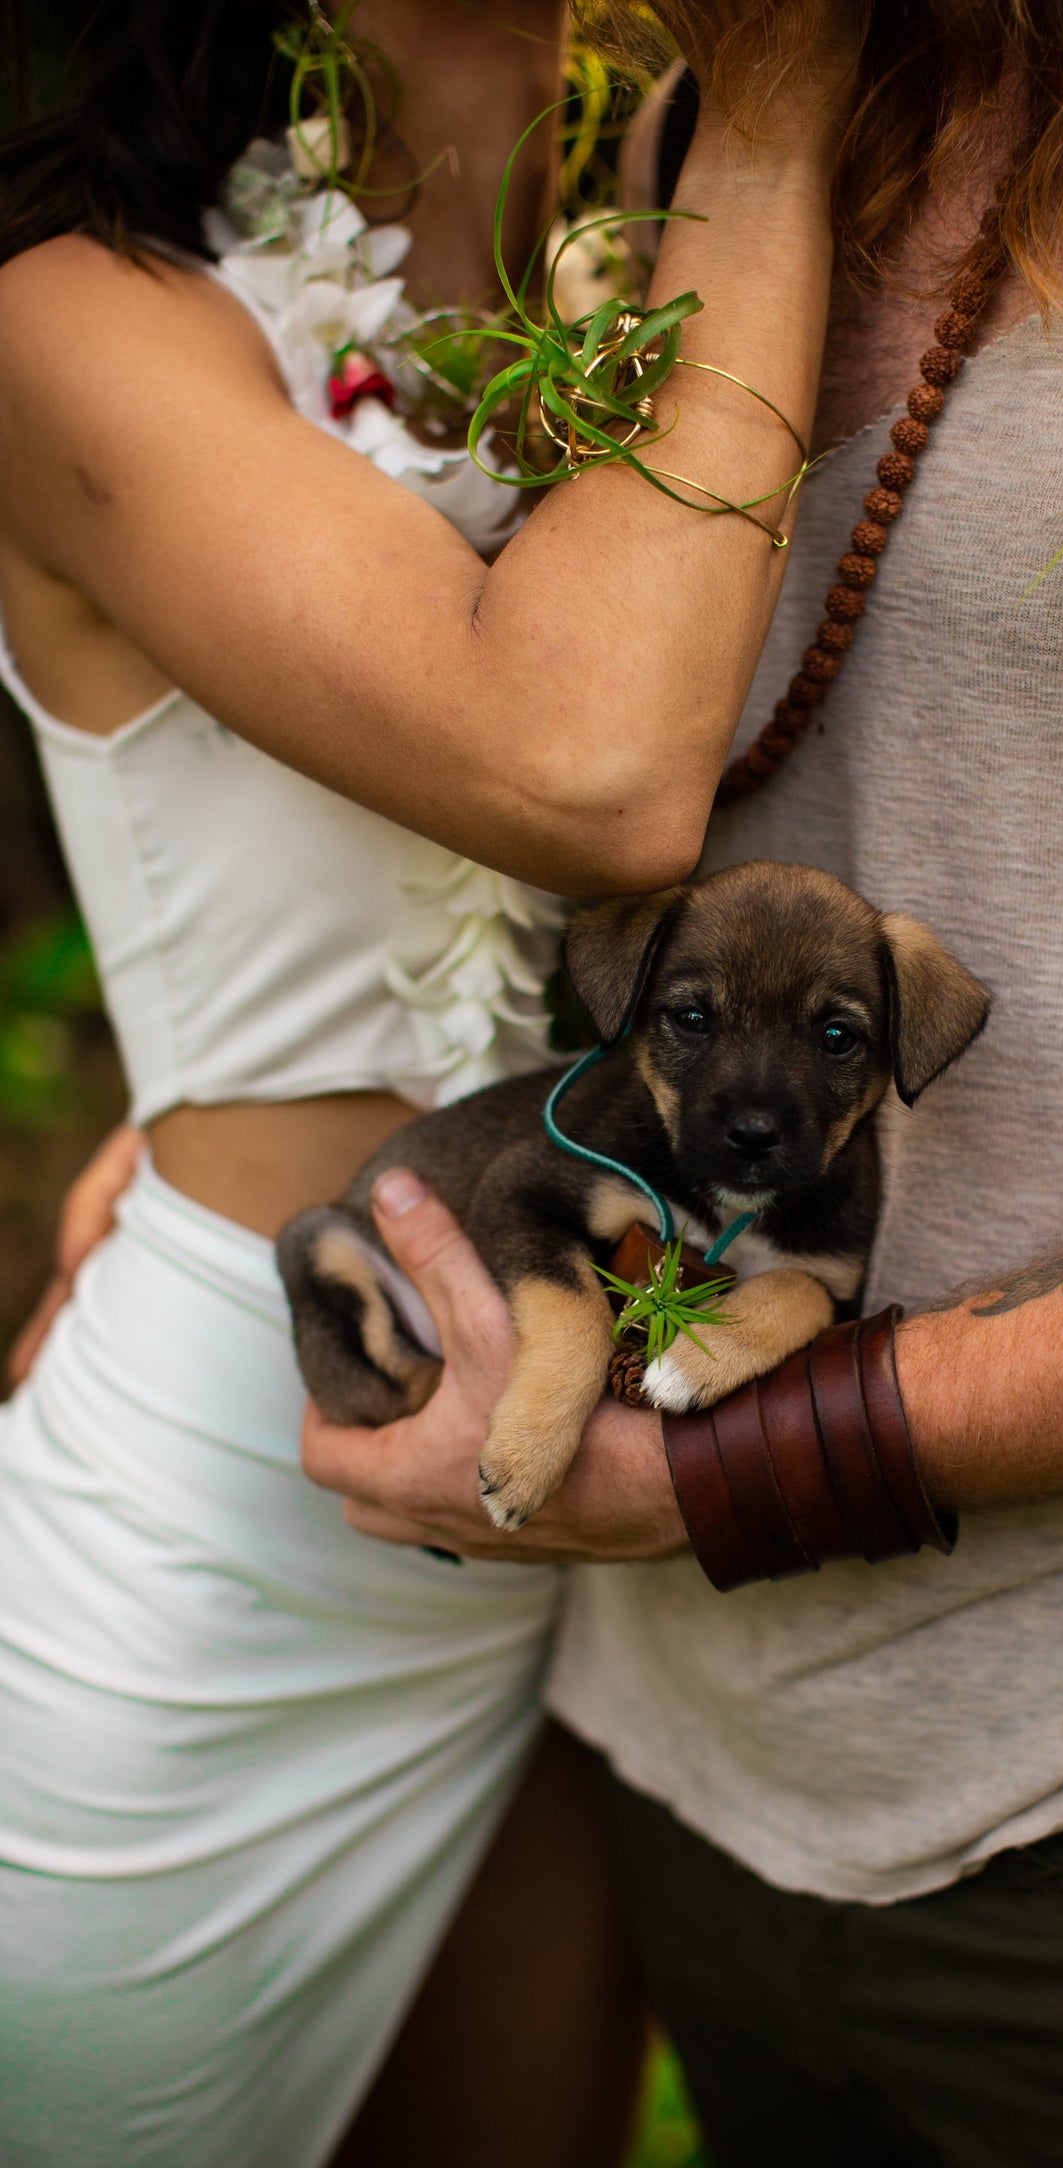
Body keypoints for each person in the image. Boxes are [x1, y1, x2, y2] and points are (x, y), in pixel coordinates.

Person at [303, 0, 1063, 2161]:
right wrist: (219, 1156)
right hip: (673, 1773)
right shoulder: (699, 125)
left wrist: (727, 1468)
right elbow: (564, 804)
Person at [0, 1, 853, 2160]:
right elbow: (584, 760)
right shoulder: (68, 315)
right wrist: (785, 93)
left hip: (576, 1546)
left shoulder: (631, 241)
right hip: (234, 1507)